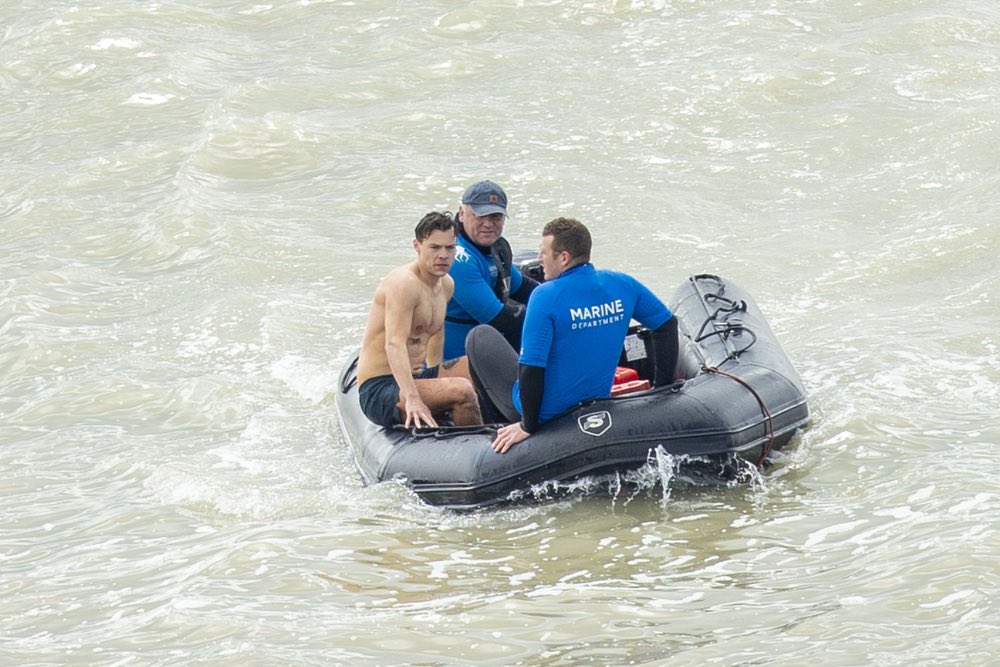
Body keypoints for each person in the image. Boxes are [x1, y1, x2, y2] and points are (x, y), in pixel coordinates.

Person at [492, 217, 679, 453]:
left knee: (481, 338)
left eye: (544, 252)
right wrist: (661, 390)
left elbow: (531, 367)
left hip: (544, 414)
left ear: (563, 258)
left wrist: (527, 425)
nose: (539, 258)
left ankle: (491, 428)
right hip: (597, 402)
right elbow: (667, 325)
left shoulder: (544, 296)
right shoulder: (622, 284)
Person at [356, 211, 482, 429]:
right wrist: (412, 397)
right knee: (462, 390)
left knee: (481, 365)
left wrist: (436, 378)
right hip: (381, 387)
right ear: (417, 246)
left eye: (449, 248)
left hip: (418, 375)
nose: (443, 255)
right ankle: (477, 442)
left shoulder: (446, 284)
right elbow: (394, 343)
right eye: (435, 247)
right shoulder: (403, 284)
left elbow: (436, 334)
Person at [443, 180, 540, 360]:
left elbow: (523, 287)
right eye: (480, 216)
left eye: (495, 216)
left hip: (489, 350)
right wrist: (555, 313)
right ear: (462, 214)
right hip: (457, 360)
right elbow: (499, 319)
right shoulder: (458, 258)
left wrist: (563, 297)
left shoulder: (497, 247)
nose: (488, 224)